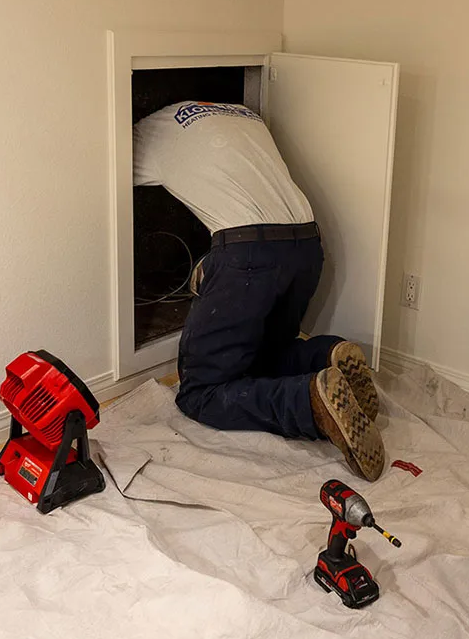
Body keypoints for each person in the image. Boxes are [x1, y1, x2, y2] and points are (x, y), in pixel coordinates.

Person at [133, 100, 384, 481]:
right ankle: (325, 355)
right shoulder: (241, 112)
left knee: (201, 392)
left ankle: (310, 401)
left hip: (249, 256)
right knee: (262, 354)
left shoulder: (147, 132)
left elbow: (103, 173)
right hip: (306, 244)